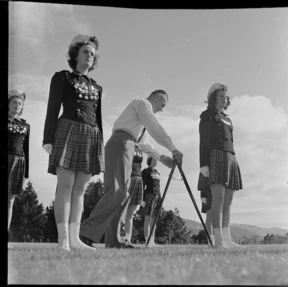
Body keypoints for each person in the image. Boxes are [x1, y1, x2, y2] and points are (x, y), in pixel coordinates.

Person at [79, 90, 183, 249]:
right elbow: (154, 126)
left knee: (124, 194)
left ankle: (114, 240)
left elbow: (144, 143)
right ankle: (85, 232)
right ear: (157, 97)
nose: (162, 109)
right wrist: (173, 148)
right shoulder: (141, 104)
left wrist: (162, 158)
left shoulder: (139, 122)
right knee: (117, 191)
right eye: (163, 104)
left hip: (128, 144)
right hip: (121, 143)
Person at [42, 34, 104, 252]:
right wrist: (47, 138)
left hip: (91, 135)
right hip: (67, 129)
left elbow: (98, 118)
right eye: (86, 51)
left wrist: (100, 148)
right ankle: (63, 240)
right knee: (65, 187)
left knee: (80, 190)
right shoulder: (63, 77)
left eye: (92, 54)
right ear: (75, 55)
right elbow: (52, 108)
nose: (89, 55)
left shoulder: (97, 87)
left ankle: (75, 239)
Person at [198, 83, 243, 249]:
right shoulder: (207, 115)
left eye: (226, 96)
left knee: (228, 201)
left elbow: (231, 141)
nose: (225, 98)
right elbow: (203, 139)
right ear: (213, 98)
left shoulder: (228, 119)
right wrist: (203, 164)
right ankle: (218, 241)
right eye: (221, 96)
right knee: (218, 199)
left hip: (230, 157)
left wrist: (233, 159)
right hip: (215, 155)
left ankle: (227, 239)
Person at [8, 90, 30, 250]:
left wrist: (26, 174)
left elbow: (26, 149)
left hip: (19, 161)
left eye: (20, 103)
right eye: (14, 102)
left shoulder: (25, 125)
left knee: (10, 200)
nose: (17, 105)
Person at [120, 143, 145, 246]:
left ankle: (127, 240)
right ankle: (120, 238)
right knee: (122, 211)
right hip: (129, 178)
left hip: (139, 178)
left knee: (131, 213)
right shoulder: (127, 143)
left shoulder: (139, 148)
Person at [142, 157, 162, 247]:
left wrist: (160, 199)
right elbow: (142, 185)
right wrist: (142, 199)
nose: (156, 161)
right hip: (149, 194)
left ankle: (152, 241)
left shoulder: (157, 172)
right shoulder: (145, 171)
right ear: (149, 161)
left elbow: (159, 186)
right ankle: (147, 241)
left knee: (154, 220)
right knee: (148, 218)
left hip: (157, 196)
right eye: (154, 160)